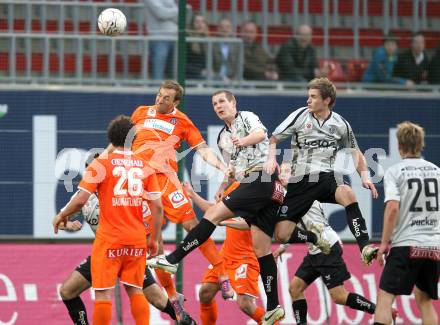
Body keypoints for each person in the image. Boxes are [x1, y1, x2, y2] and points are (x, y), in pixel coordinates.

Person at [147, 90, 330, 325]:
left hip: (261, 180)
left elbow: (260, 133)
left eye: (222, 101)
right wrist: (224, 184)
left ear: (233, 103)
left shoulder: (246, 117)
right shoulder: (223, 137)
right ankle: (274, 306)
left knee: (212, 214)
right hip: (259, 186)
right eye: (214, 103)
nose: (218, 106)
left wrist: (242, 141)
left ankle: (172, 259)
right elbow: (233, 166)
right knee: (262, 247)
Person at [125, 80, 233, 300]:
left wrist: (223, 166)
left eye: (166, 98)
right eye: (158, 95)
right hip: (139, 180)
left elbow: (202, 149)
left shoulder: (182, 121)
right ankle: (173, 296)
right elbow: (123, 141)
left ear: (176, 102)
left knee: (193, 225)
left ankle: (222, 274)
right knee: (153, 242)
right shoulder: (140, 112)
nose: (159, 100)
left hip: (166, 179)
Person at [57, 154, 196, 325]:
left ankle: (186, 320)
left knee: (156, 299)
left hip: (129, 251)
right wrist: (69, 225)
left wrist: (151, 242)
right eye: (91, 172)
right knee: (67, 291)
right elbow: (60, 220)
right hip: (106, 252)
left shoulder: (126, 192)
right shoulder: (83, 197)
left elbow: (151, 217)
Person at [53, 115, 163, 325]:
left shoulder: (100, 165)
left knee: (103, 294)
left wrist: (62, 215)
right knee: (136, 290)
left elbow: (80, 201)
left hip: (110, 239)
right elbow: (158, 206)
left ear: (111, 140)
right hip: (136, 238)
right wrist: (155, 239)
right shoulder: (144, 166)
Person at [264, 77, 379, 266]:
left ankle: (365, 246)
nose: (308, 101)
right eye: (308, 96)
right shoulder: (300, 116)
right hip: (300, 180)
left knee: (348, 193)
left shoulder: (341, 124)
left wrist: (365, 176)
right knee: (282, 234)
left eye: (313, 97)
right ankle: (314, 238)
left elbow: (355, 151)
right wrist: (271, 158)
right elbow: (273, 138)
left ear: (327, 100)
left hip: (326, 177)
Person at [273, 198, 397, 325]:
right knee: (295, 288)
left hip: (327, 248)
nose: (282, 178)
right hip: (316, 250)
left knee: (339, 296)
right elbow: (292, 226)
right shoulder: (301, 194)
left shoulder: (298, 195)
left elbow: (288, 227)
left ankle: (381, 310)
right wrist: (282, 248)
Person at [373, 121, 439, 325]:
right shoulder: (437, 171)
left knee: (384, 298)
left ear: (399, 146)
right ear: (421, 145)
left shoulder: (396, 171)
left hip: (407, 245)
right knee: (425, 300)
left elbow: (392, 208)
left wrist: (384, 243)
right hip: (433, 246)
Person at [182, 181, 267, 325]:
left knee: (245, 304)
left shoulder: (260, 189)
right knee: (205, 292)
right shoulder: (235, 186)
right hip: (226, 255)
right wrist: (192, 194)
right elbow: (215, 210)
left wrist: (224, 221)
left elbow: (254, 224)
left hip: (246, 257)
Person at [144, 0, 178, 80]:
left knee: (174, 73)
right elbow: (160, 13)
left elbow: (181, 18)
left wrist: (168, 13)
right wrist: (177, 11)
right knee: (158, 75)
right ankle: (156, 91)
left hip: (175, 37)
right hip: (158, 38)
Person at [186, 14, 210, 80]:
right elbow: (183, 65)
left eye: (202, 22)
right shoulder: (187, 40)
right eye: (197, 21)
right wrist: (200, 71)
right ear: (192, 24)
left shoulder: (208, 40)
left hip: (205, 74)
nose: (200, 24)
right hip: (191, 75)